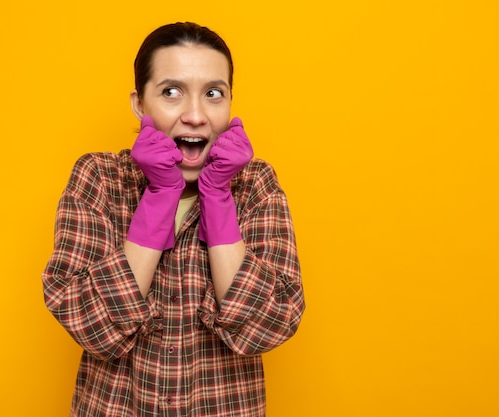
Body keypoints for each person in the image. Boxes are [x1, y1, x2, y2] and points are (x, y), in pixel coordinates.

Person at [42, 21, 305, 417]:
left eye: (213, 94)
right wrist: (160, 198)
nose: (196, 115)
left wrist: (217, 197)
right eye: (171, 92)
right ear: (139, 103)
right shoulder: (99, 178)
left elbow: (271, 323)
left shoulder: (255, 185)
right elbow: (87, 323)